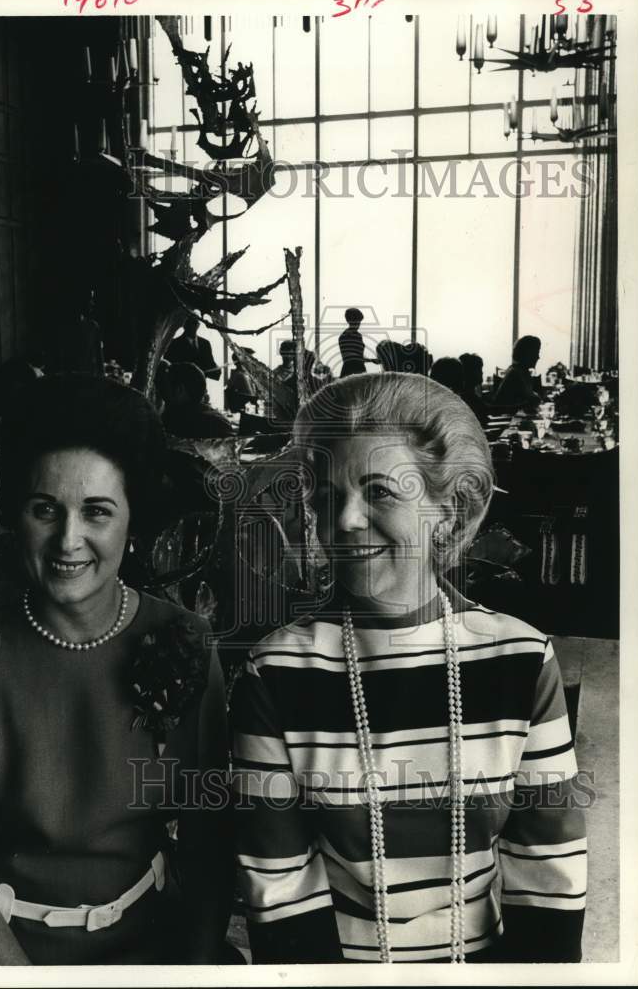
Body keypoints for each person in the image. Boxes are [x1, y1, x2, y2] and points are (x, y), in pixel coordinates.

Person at [231, 372, 586, 963]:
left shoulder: (520, 661)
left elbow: (548, 875)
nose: (344, 520)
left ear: (448, 510)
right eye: (326, 496)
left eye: (380, 492)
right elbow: (281, 890)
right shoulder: (276, 673)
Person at [0, 375, 233, 965]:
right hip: (0, 959)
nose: (69, 540)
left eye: (97, 512)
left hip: (150, 949)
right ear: (17, 513)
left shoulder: (186, 642)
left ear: (131, 522)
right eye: (45, 510)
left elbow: (208, 847)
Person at [162, 362, 234, 439]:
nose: (163, 393)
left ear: (180, 390)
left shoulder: (172, 422)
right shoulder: (221, 421)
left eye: (165, 387)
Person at [494, 336, 541, 411]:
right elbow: (504, 405)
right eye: (536, 353)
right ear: (527, 353)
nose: (538, 357)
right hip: (508, 419)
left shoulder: (520, 371)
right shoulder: (515, 373)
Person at [459, 353, 489, 425]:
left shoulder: (469, 393)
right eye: (479, 369)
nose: (482, 372)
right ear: (470, 372)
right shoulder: (468, 396)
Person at [224, 349, 257, 414]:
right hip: (245, 413)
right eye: (250, 359)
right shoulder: (240, 376)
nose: (253, 362)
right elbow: (251, 400)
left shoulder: (244, 375)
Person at [338, 308, 367, 378]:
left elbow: (357, 356)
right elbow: (352, 358)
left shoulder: (357, 336)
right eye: (358, 322)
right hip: (352, 371)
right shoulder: (346, 337)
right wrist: (371, 360)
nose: (359, 324)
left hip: (357, 370)